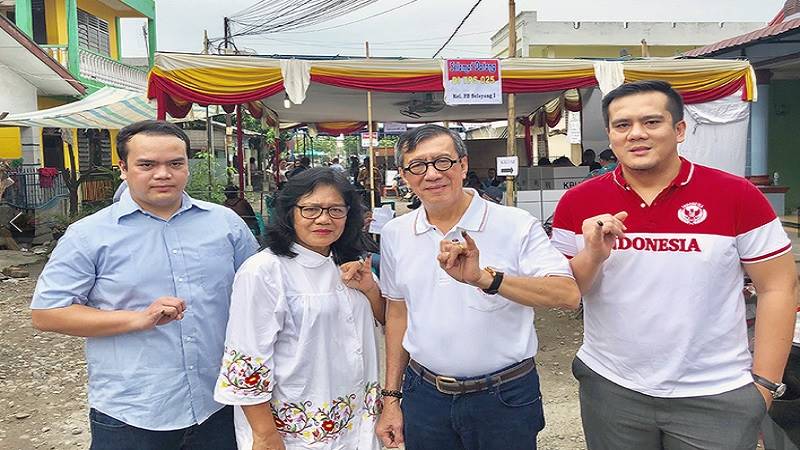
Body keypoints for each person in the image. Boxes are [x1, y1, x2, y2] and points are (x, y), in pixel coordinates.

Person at [551, 80, 798, 450]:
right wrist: (593, 254)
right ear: (610, 134)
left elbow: (778, 286)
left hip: (716, 393)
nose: (636, 134)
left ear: (679, 130)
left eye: (652, 122)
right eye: (623, 125)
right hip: (613, 390)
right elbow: (567, 293)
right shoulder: (578, 202)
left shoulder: (736, 195)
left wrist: (764, 383)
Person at [30, 120, 260, 450]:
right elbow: (47, 313)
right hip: (132, 412)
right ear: (123, 168)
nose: (163, 174)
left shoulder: (225, 224)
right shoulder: (89, 235)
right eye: (147, 164)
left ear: (187, 166)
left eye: (175, 163)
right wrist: (137, 319)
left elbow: (259, 295)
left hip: (219, 404)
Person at [375, 124, 581, 450]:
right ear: (404, 174)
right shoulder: (396, 233)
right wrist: (391, 397)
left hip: (503, 396)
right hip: (425, 395)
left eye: (443, 161)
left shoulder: (514, 224)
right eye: (417, 166)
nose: (431, 174)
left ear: (463, 165)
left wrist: (484, 279)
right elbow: (398, 312)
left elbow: (567, 294)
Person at [213, 167, 385, 450]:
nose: (323, 219)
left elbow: (384, 319)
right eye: (311, 209)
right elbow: (247, 359)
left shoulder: (351, 263)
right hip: (294, 432)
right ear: (289, 212)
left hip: (356, 421)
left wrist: (369, 289)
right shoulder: (265, 270)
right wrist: (266, 436)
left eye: (335, 210)